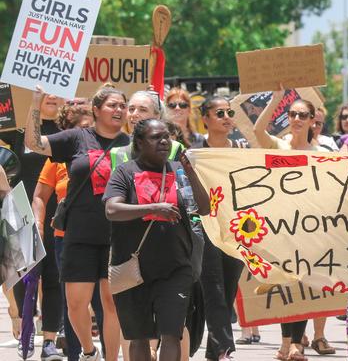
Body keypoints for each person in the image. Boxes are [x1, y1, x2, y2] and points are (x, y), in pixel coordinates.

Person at [24, 84, 131, 361]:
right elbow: (34, 143)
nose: (119, 110)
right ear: (96, 110)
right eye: (112, 105)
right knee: (75, 304)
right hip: (79, 235)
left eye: (123, 105)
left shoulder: (132, 145)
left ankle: (110, 358)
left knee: (111, 304)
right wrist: (36, 101)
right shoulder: (76, 138)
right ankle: (88, 351)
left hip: (117, 236)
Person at [104, 118, 210, 361]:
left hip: (176, 268)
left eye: (166, 137)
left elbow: (203, 208)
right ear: (139, 142)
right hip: (133, 269)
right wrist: (154, 208)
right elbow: (112, 210)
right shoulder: (125, 172)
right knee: (139, 337)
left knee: (171, 334)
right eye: (155, 137)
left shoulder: (179, 171)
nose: (163, 141)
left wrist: (191, 172)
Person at [254, 89, 329, 361]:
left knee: (303, 283)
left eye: (303, 115)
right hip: (280, 225)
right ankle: (286, 342)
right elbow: (257, 129)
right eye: (293, 114)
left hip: (309, 227)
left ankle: (296, 343)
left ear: (313, 120)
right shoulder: (278, 145)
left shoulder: (320, 153)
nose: (297, 118)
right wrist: (276, 98)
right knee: (283, 284)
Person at [0, 88, 64, 358]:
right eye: (44, 93)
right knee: (22, 270)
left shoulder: (67, 131)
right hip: (20, 209)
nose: (51, 96)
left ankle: (49, 339)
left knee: (53, 275)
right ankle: (20, 321)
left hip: (55, 210)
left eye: (56, 93)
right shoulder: (15, 131)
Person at [32, 104, 98, 361]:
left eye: (90, 127)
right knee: (73, 302)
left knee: (107, 303)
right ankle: (76, 352)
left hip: (105, 237)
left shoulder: (111, 151)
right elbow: (40, 196)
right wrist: (38, 225)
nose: (87, 133)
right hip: (67, 240)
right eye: (81, 129)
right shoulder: (56, 161)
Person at [198, 96, 247, 361]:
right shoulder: (193, 151)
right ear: (205, 118)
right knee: (213, 285)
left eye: (230, 112)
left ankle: (213, 351)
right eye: (220, 113)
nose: (227, 117)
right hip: (205, 227)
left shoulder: (241, 148)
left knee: (227, 288)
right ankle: (223, 349)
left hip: (235, 227)